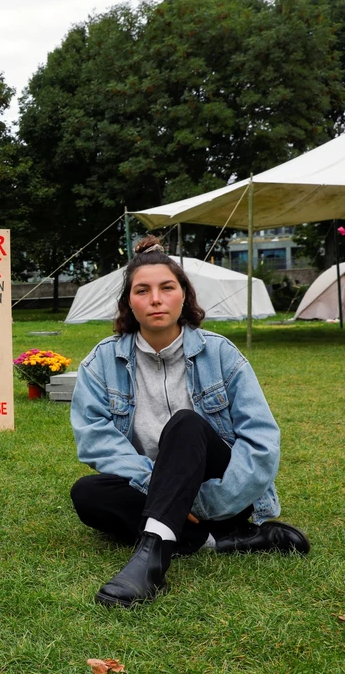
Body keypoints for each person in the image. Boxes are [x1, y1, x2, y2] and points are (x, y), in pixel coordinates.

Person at [70, 235, 309, 607]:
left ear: (184, 294)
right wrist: (161, 491)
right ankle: (224, 540)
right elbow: (94, 439)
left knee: (186, 424)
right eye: (142, 290)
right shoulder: (101, 362)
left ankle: (151, 562)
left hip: (223, 487)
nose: (155, 299)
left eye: (167, 287)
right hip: (154, 486)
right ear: (128, 303)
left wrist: (207, 504)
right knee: (87, 495)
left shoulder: (220, 353)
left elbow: (261, 440)